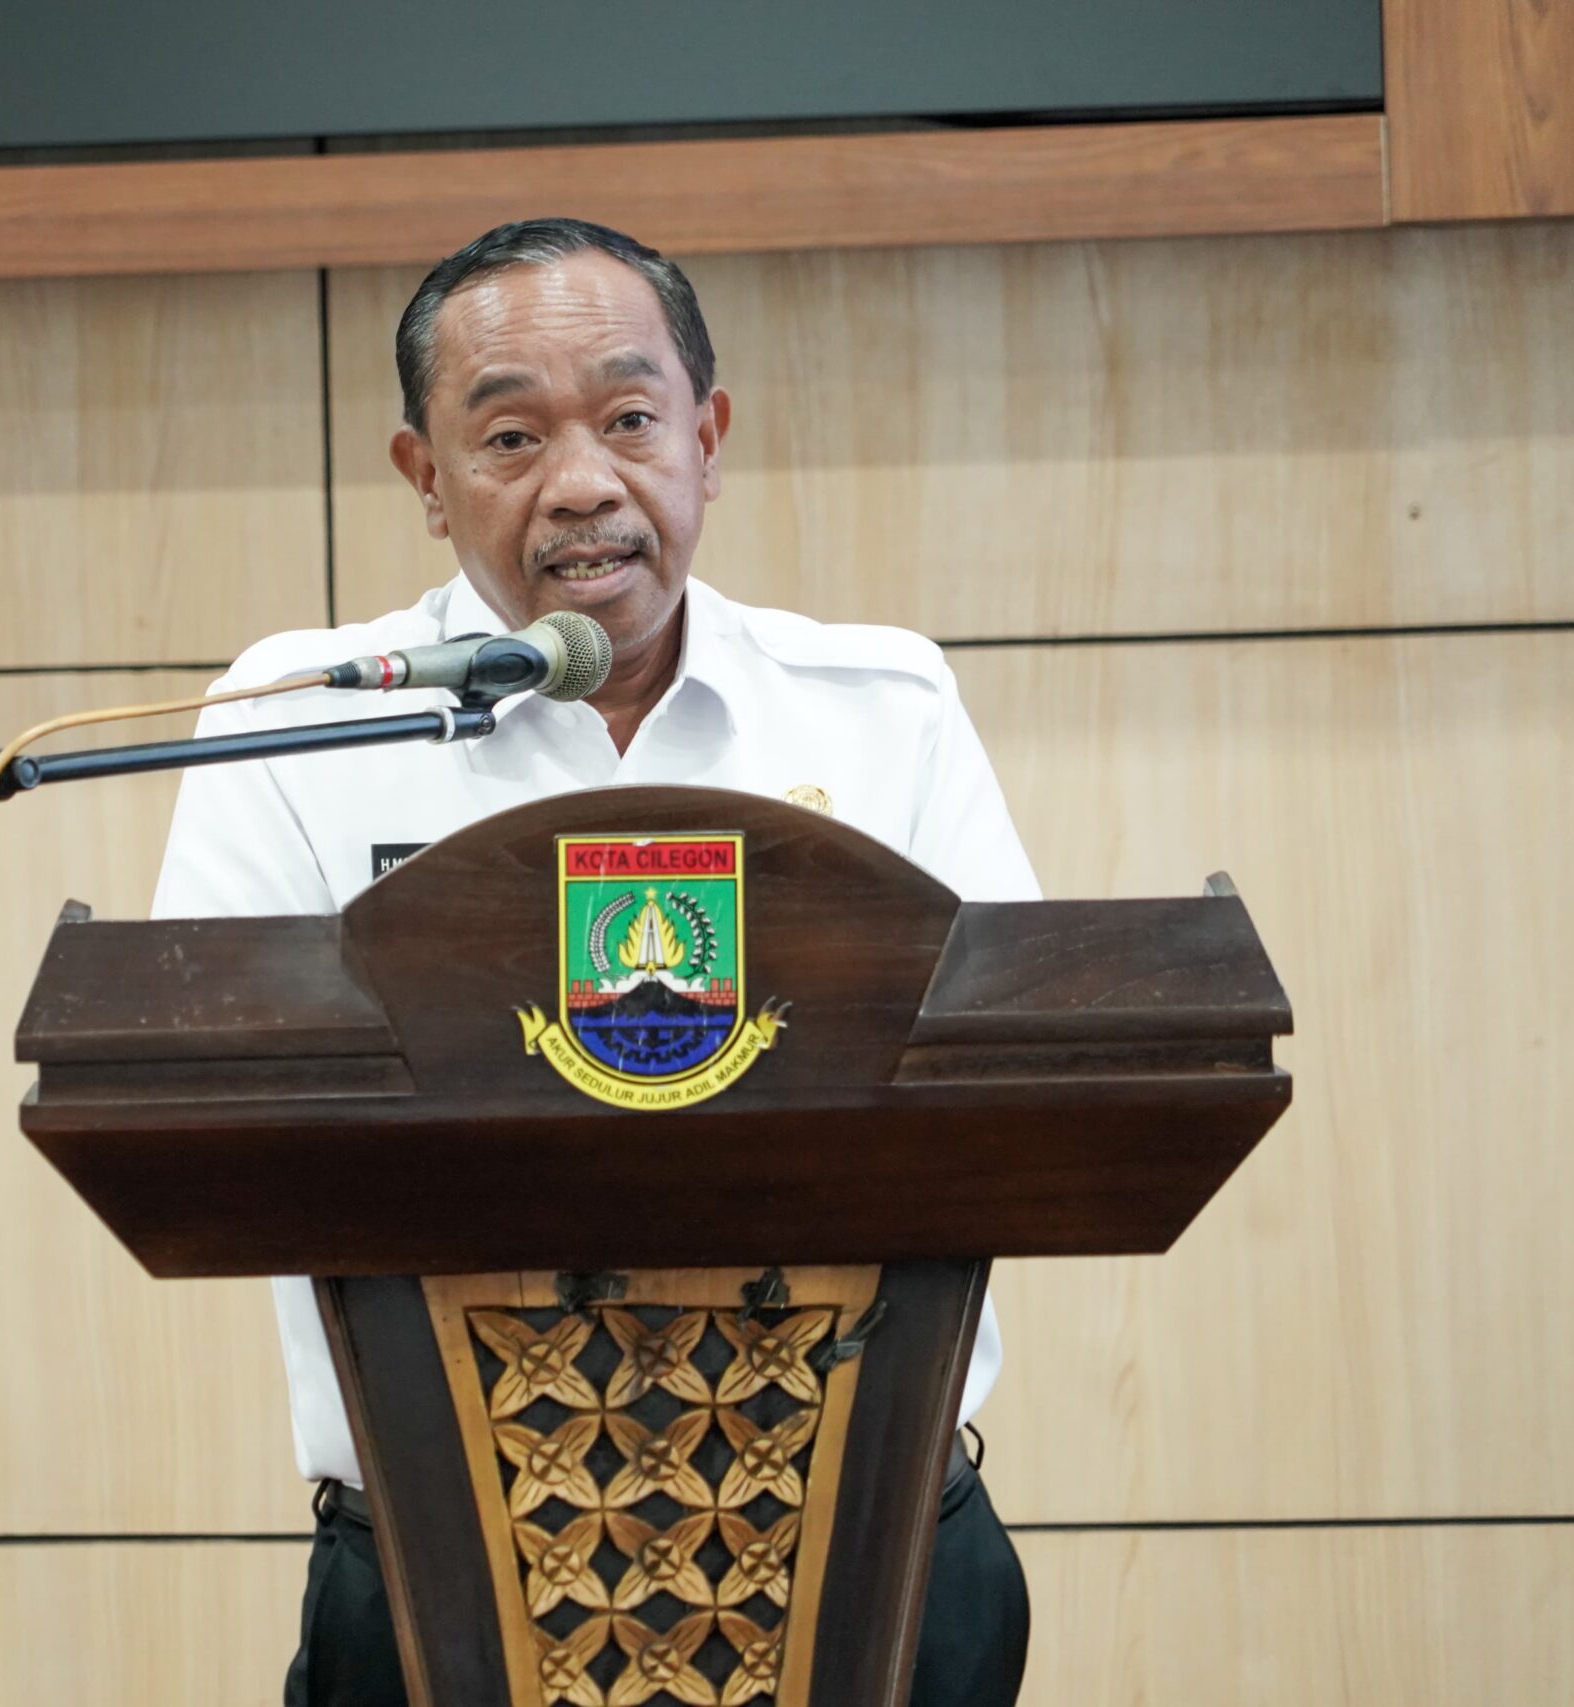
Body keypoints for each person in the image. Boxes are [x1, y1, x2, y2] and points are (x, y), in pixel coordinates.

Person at [152, 217, 1035, 1707]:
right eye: (510, 437)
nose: (582, 484)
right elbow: (200, 1114)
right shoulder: (300, 725)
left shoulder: (879, 711)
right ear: (425, 477)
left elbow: (1021, 1083)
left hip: (867, 1542)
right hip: (442, 1562)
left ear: (707, 439)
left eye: (630, 419)